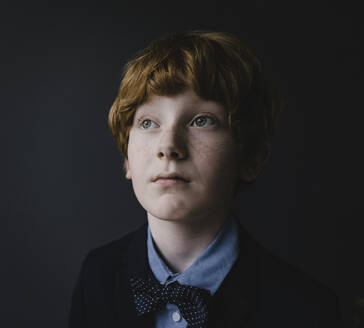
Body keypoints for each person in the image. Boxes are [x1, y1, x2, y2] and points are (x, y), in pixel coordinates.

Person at [68, 31, 341, 328]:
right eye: (148, 122)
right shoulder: (96, 276)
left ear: (251, 158)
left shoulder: (307, 309)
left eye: (202, 120)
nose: (168, 146)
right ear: (126, 159)